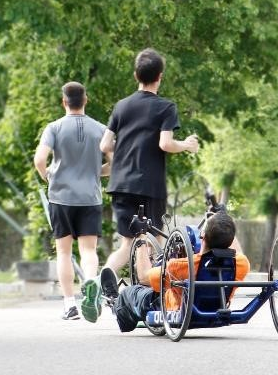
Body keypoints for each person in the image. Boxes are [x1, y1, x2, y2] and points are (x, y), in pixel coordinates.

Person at [98, 48, 199, 276]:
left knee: (128, 243)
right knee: (152, 242)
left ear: (136, 75)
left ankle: (101, 279)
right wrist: (186, 145)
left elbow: (104, 145)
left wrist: (123, 154)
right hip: (149, 186)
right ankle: (151, 292)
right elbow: (165, 143)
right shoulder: (166, 107)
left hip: (121, 183)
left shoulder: (121, 106)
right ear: (160, 76)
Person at [34, 81, 110, 321]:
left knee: (64, 253)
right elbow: (117, 161)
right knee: (88, 250)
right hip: (89, 197)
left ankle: (70, 305)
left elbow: (39, 160)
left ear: (63, 102)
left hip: (61, 198)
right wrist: (96, 172)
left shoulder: (53, 128)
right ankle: (89, 282)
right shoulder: (100, 129)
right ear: (85, 100)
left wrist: (50, 178)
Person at [99, 212, 249, 332]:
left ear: (202, 236)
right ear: (230, 238)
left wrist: (140, 236)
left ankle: (114, 301)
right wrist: (224, 221)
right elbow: (237, 251)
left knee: (130, 293)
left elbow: (143, 277)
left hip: (173, 309)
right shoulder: (241, 264)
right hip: (216, 307)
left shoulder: (180, 266)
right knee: (158, 282)